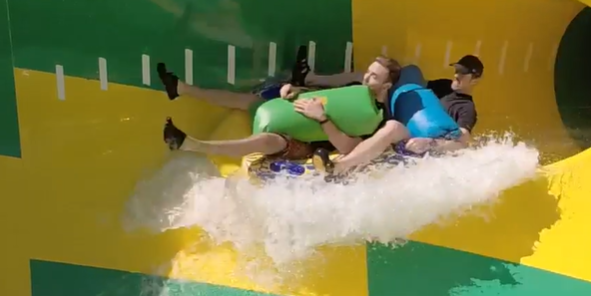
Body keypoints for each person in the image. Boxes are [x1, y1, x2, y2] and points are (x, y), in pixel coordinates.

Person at [161, 55, 403, 161]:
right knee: (251, 102)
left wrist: (322, 119)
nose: (366, 79)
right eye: (368, 73)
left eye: (373, 77)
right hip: (298, 117)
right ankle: (182, 89)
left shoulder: (377, 120)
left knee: (269, 141)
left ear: (386, 85)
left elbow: (351, 148)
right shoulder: (353, 88)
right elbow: (320, 98)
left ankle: (194, 146)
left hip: (312, 146)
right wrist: (295, 92)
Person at [312, 54, 484, 177]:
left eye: (462, 74)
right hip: (403, 124)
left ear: (475, 80)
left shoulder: (466, 108)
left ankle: (339, 167)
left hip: (420, 141)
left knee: (393, 127)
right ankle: (308, 79)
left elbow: (462, 142)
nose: (456, 75)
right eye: (456, 70)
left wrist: (430, 143)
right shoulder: (443, 86)